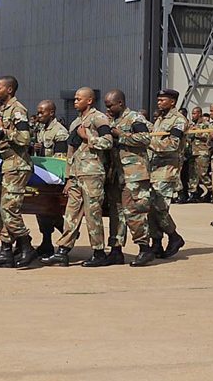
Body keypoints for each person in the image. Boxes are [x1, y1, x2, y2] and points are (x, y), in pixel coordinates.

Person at [45, 88, 115, 267]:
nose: (75, 101)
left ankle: (99, 252)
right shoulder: (76, 122)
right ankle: (63, 250)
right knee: (71, 213)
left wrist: (89, 137)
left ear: (89, 100)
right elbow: (71, 150)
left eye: (78, 99)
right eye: (75, 99)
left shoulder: (99, 118)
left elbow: (108, 141)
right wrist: (68, 176)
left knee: (93, 214)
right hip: (76, 174)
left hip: (92, 173)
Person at [0, 76, 38, 268]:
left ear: (9, 90)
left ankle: (26, 245)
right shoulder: (1, 110)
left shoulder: (17, 110)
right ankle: (6, 250)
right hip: (7, 164)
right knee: (1, 209)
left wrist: (3, 130)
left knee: (9, 209)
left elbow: (24, 139)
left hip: (18, 165)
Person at [103, 89, 155, 267]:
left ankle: (144, 249)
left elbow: (145, 139)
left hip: (134, 173)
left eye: (110, 105)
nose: (108, 109)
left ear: (121, 103)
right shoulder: (110, 120)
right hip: (117, 174)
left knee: (133, 211)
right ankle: (116, 249)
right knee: (116, 213)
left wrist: (121, 136)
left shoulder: (135, 119)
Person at [147, 89, 188, 260]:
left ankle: (174, 236)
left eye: (163, 100)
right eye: (158, 99)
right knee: (150, 208)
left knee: (160, 208)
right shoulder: (159, 119)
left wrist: (148, 141)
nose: (159, 103)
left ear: (172, 102)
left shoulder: (178, 120)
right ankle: (156, 242)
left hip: (167, 170)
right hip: (154, 168)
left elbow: (173, 144)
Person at [32, 99, 70, 256]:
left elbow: (60, 159)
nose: (39, 115)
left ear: (51, 113)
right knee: (41, 210)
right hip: (43, 175)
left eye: (42, 112)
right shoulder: (41, 129)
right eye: (38, 112)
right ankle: (46, 242)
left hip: (54, 178)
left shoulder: (60, 132)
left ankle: (66, 233)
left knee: (52, 210)